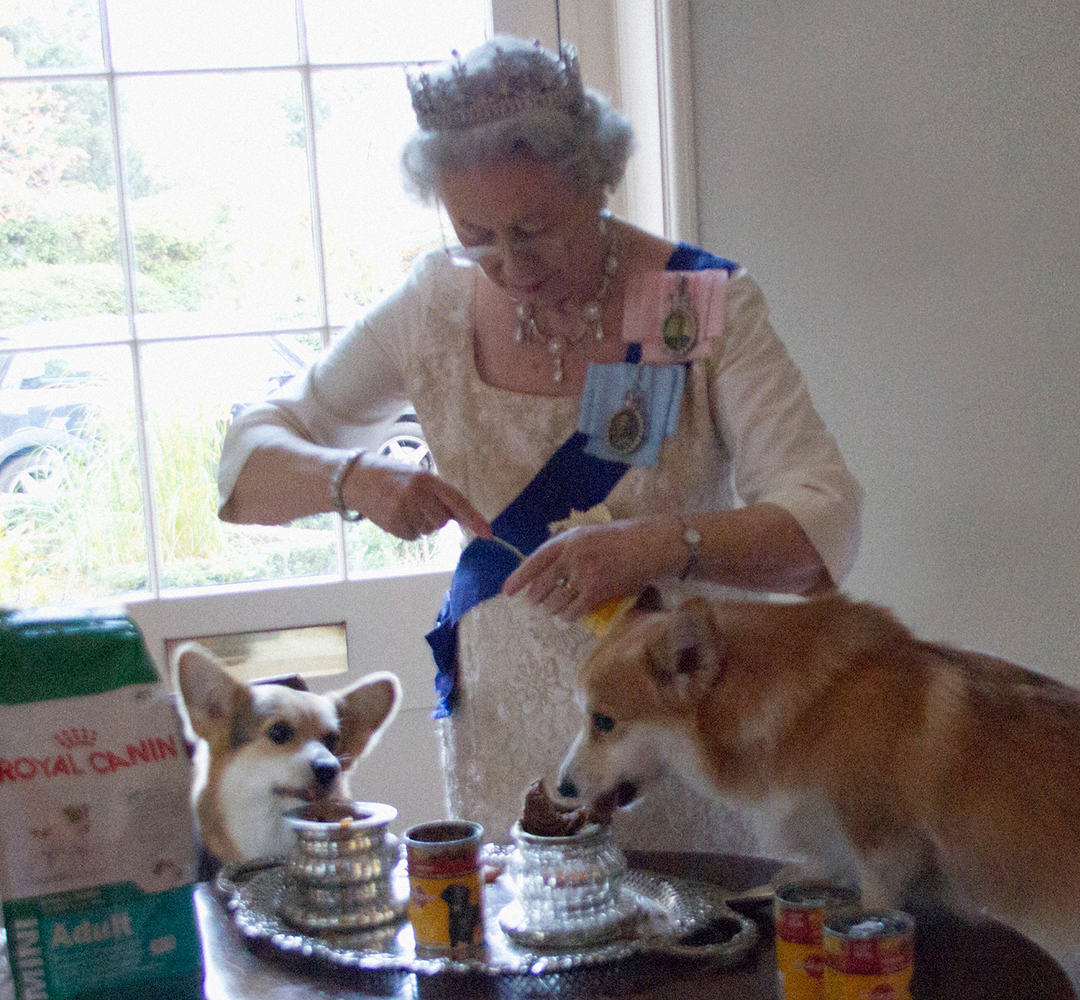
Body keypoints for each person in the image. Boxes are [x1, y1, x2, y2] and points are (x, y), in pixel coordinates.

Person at [216, 35, 863, 854]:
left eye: (536, 228)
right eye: (476, 234)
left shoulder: (691, 302)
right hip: (504, 733)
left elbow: (825, 526)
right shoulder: (432, 307)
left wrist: (654, 546)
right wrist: (357, 481)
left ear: (598, 181)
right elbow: (244, 468)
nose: (510, 265)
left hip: (677, 732)